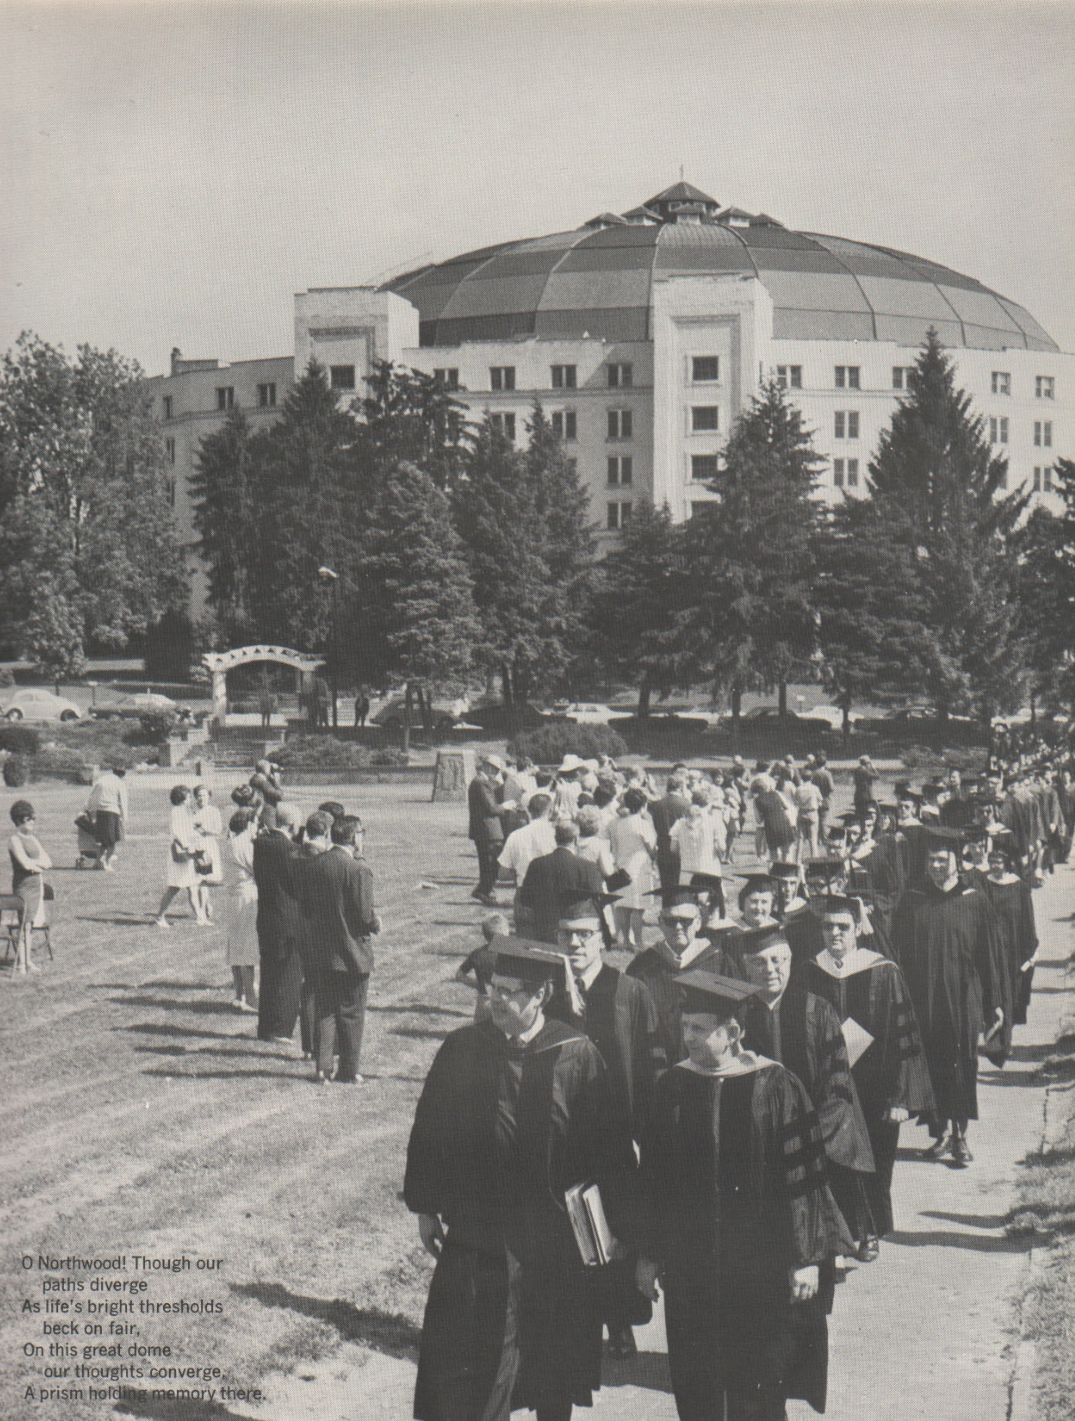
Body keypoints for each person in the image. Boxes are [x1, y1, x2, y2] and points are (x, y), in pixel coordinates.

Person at [404, 939, 639, 1421]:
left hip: (552, 1237)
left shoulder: (575, 1055)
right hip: (479, 1230)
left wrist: (615, 1229)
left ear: (542, 995)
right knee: (475, 1361)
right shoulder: (462, 1048)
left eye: (511, 992)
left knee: (550, 1361)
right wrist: (426, 1206)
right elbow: (431, 1128)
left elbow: (608, 1150)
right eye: (493, 988)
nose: (497, 999)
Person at [636, 971, 850, 1421]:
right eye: (685, 1026)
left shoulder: (776, 1086)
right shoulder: (672, 1086)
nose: (687, 1036)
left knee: (759, 1379)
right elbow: (653, 1181)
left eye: (698, 1028)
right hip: (690, 1265)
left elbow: (804, 1179)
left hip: (759, 1265)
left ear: (732, 1033)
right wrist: (649, 1253)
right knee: (696, 1379)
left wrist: (806, 1256)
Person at [738, 925, 877, 1261]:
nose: (770, 970)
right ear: (745, 967)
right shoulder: (739, 1015)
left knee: (840, 1153)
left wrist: (814, 1125)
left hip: (821, 1123)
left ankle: (853, 1236)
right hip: (765, 1131)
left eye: (777, 960)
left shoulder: (816, 1009)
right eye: (759, 962)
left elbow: (837, 1077)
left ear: (789, 960)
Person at [804, 895, 935, 1244]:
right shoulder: (809, 972)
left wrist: (902, 1098)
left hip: (878, 1089)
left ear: (858, 929)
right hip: (831, 1090)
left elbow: (905, 1037)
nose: (834, 933)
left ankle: (871, 1231)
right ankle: (849, 1235)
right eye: (828, 926)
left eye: (842, 927)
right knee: (838, 1163)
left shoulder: (883, 971)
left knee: (876, 1162)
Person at [890, 824, 1011, 1166]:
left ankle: (961, 1136)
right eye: (931, 859)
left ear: (957, 861)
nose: (936, 866)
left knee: (960, 1065)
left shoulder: (974, 902)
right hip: (922, 998)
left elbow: (990, 958)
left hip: (961, 999)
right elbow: (897, 954)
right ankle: (940, 1133)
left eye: (942, 859)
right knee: (929, 1064)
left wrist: (995, 1003)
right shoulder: (912, 901)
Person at [299, 813, 379, 1084]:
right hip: (353, 952)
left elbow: (307, 908)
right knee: (352, 1013)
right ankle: (349, 1069)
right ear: (355, 836)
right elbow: (364, 916)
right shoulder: (358, 869)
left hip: (322, 950)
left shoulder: (315, 864)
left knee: (326, 1010)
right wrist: (376, 921)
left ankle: (322, 1069)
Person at [627, 889, 739, 1071]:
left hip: (709, 1064)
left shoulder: (720, 962)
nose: (678, 927)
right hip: (658, 1066)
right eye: (671, 922)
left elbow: (737, 1016)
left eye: (685, 921)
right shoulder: (642, 967)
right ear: (660, 924)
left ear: (698, 922)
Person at [252, 801, 305, 1043]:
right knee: (289, 974)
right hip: (288, 918)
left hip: (267, 915)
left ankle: (267, 1026)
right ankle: (281, 1028)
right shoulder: (290, 851)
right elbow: (298, 885)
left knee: (270, 974)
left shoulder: (261, 844)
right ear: (293, 825)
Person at [982, 836, 1039, 1027]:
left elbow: (1028, 920)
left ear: (1006, 863)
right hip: (990, 946)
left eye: (998, 862)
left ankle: (1007, 1033)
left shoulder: (1019, 887)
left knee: (1012, 989)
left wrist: (1030, 948)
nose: (994, 866)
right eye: (991, 862)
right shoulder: (984, 885)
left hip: (1013, 948)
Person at [516, 821, 604, 944]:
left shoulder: (537, 864)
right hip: (575, 934)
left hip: (543, 931)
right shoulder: (587, 867)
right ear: (576, 839)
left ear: (555, 839)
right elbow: (598, 902)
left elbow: (526, 899)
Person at [607, 787, 657, 951]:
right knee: (637, 907)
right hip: (639, 866)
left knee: (624, 905)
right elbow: (651, 847)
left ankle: (625, 940)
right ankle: (638, 941)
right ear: (643, 805)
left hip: (622, 865)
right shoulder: (643, 824)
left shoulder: (617, 824)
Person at [154, 784, 209, 927]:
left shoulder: (184, 811)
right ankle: (160, 917)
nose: (191, 798)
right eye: (189, 796)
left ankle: (200, 918)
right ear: (183, 798)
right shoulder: (177, 812)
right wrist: (187, 845)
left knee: (192, 885)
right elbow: (177, 833)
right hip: (180, 853)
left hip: (188, 852)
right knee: (174, 888)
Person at [8, 799, 51, 974]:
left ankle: (28, 961)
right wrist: (37, 864)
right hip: (23, 886)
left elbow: (48, 861)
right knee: (24, 923)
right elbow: (25, 864)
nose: (33, 822)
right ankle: (21, 962)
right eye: (29, 819)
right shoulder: (14, 840)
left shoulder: (33, 838)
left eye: (33, 818)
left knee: (31, 924)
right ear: (19, 821)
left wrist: (37, 864)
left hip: (36, 883)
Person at [224, 806, 259, 1012]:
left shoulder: (232, 841)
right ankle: (251, 998)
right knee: (247, 947)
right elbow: (257, 869)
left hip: (234, 896)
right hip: (246, 895)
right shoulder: (245, 844)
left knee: (237, 945)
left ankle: (239, 994)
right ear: (248, 824)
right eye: (255, 823)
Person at [496, 792, 557, 906]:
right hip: (551, 892)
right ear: (550, 811)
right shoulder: (556, 834)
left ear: (528, 811)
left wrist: (519, 872)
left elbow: (502, 874)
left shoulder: (515, 835)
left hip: (524, 892)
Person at [468, 755, 507, 906]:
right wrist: (506, 806)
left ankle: (484, 890)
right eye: (495, 770)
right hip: (487, 830)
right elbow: (491, 808)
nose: (496, 773)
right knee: (491, 862)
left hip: (485, 829)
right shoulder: (481, 783)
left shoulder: (481, 782)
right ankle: (484, 890)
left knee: (488, 862)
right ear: (488, 767)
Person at [650, 772, 691, 905]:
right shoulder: (686, 804)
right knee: (680, 884)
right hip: (680, 849)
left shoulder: (657, 805)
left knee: (665, 885)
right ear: (680, 786)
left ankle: (667, 911)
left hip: (662, 848)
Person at [84, 763, 129, 871]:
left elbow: (92, 797)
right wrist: (125, 817)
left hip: (100, 813)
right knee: (112, 841)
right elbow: (123, 801)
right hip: (112, 812)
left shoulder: (101, 780)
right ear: (122, 775)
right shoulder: (119, 783)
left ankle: (98, 862)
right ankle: (107, 863)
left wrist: (90, 810)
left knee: (103, 841)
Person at [191, 783, 223, 923]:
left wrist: (205, 829)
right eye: (199, 796)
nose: (201, 798)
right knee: (198, 880)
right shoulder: (191, 811)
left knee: (204, 880)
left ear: (209, 797)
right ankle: (204, 908)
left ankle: (204, 908)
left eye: (204, 795)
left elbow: (218, 830)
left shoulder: (214, 811)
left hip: (208, 847)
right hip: (194, 847)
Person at [249, 759, 284, 829]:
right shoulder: (263, 782)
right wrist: (277, 782)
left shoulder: (254, 779)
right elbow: (279, 796)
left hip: (259, 810)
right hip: (267, 813)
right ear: (265, 770)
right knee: (270, 834)